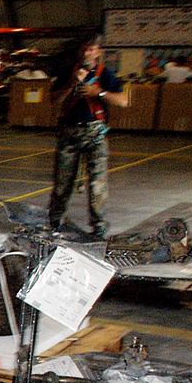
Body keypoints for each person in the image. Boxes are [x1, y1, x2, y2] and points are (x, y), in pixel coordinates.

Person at [46, 35, 129, 239]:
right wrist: (71, 84)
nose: (87, 54)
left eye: (91, 49)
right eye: (84, 49)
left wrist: (98, 93)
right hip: (70, 132)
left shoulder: (105, 75)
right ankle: (55, 220)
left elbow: (123, 101)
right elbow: (53, 100)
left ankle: (99, 225)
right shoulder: (68, 73)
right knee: (63, 182)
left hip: (95, 133)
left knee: (97, 183)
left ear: (98, 52)